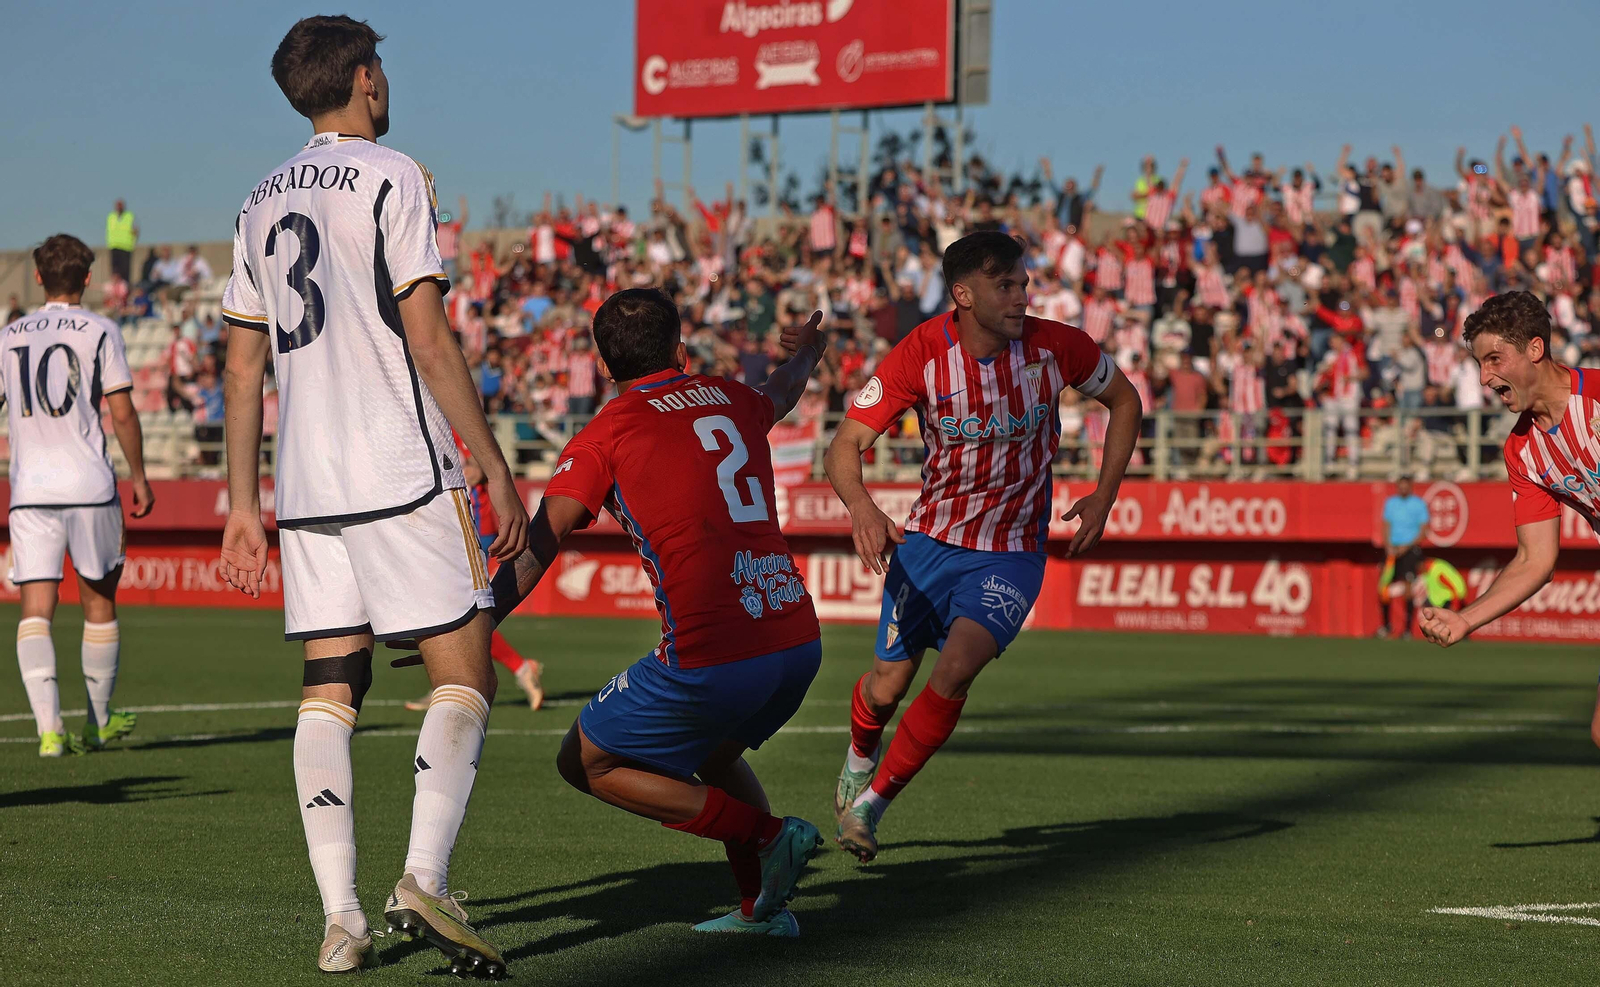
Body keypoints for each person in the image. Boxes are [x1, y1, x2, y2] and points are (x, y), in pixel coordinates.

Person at [216, 16, 528, 976]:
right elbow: (428, 336)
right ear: (364, 80)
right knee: (465, 673)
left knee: (329, 685)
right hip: (400, 463)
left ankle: (341, 919)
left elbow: (240, 366)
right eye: (380, 66)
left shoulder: (258, 200)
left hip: (306, 482)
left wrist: (240, 503)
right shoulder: (393, 174)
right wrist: (494, 461)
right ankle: (423, 874)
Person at [472, 288, 831, 936]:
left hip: (715, 656)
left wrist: (478, 620)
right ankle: (762, 910)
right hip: (798, 640)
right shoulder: (731, 395)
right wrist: (809, 351)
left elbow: (540, 545)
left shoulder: (607, 431)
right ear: (681, 351)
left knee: (585, 761)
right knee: (716, 756)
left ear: (605, 365)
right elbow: (785, 385)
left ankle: (770, 833)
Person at [823, 232, 1144, 862]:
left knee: (955, 670)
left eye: (1024, 282)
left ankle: (871, 808)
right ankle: (861, 753)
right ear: (964, 294)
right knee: (886, 689)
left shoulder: (1059, 346)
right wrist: (861, 506)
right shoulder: (919, 354)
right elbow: (844, 445)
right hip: (929, 545)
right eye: (1006, 285)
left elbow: (1125, 399)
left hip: (1012, 553)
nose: (1022, 295)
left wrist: (1105, 494)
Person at [1419, 293, 1600, 739]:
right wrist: (1466, 618)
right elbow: (1533, 560)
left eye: (1495, 359)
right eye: (1480, 364)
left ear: (1535, 350)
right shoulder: (1522, 451)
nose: (1484, 377)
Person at [3, 234, 154, 759]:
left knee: (35, 609)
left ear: (39, 278)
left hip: (31, 491)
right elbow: (121, 411)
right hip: (90, 486)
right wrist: (139, 475)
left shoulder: (11, 333)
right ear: (88, 279)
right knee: (99, 603)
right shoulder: (100, 328)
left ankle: (49, 732)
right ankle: (97, 723)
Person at [1378, 477, 1430, 637]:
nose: (1403, 490)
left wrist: (1406, 547)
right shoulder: (1391, 503)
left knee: (1408, 588)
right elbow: (1386, 525)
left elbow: (1423, 530)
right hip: (1392, 551)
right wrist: (1388, 546)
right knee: (1383, 586)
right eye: (1400, 487)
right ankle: (1386, 626)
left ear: (1411, 487)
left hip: (1409, 550)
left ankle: (1407, 629)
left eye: (1405, 487)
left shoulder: (1418, 504)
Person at [105, 200, 137, 283]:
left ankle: (125, 289)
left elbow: (135, 230)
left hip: (126, 246)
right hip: (114, 245)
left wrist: (133, 242)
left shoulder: (129, 216)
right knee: (115, 270)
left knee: (125, 271)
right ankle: (115, 288)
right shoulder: (111, 216)